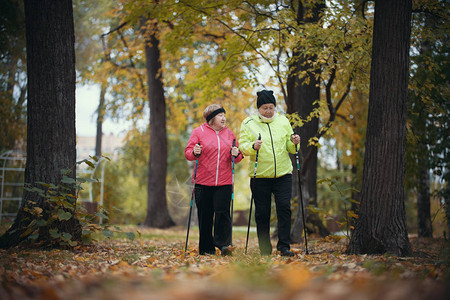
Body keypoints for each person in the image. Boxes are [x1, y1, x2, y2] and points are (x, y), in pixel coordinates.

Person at [238, 90, 300, 257]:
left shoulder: (283, 121)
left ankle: (284, 246)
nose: (268, 111)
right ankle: (265, 249)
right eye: (265, 108)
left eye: (271, 107)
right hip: (260, 176)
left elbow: (290, 146)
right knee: (262, 213)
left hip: (283, 174)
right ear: (259, 108)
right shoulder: (248, 122)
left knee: (284, 209)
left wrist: (294, 143)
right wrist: (252, 146)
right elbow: (242, 146)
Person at [185, 104, 243, 256]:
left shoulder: (230, 134)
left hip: (224, 182)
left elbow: (237, 158)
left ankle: (223, 245)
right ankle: (206, 248)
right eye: (220, 115)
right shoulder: (199, 132)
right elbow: (188, 153)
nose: (224, 118)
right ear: (211, 118)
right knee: (205, 216)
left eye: (224, 115)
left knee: (223, 214)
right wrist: (194, 151)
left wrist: (236, 154)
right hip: (202, 182)